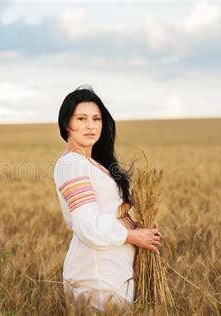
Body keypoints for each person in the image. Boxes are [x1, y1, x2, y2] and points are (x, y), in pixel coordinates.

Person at [53, 85, 163, 312]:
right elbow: (87, 227)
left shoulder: (92, 164)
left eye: (97, 119)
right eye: (81, 118)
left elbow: (110, 212)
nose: (91, 126)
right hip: (97, 273)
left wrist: (141, 227)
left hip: (114, 268)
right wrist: (134, 236)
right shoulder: (72, 164)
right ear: (66, 124)